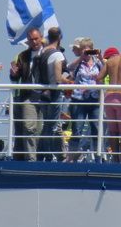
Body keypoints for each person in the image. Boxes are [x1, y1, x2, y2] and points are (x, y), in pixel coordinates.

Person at [8, 27, 47, 161]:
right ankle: (31, 159)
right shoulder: (23, 56)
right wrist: (13, 73)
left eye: (36, 39)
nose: (34, 42)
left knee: (42, 129)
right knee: (29, 127)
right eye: (31, 40)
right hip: (28, 96)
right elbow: (15, 77)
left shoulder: (49, 53)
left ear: (41, 37)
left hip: (46, 96)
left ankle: (41, 157)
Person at [68, 40, 103, 161]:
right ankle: (72, 157)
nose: (88, 53)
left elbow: (106, 70)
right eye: (85, 50)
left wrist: (101, 58)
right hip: (79, 100)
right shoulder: (78, 64)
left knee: (96, 129)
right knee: (77, 129)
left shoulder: (98, 63)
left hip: (94, 99)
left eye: (89, 50)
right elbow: (68, 68)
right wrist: (80, 58)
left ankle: (98, 157)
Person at [39, 27, 67, 162]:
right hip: (54, 94)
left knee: (46, 125)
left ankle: (44, 154)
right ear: (60, 37)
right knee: (54, 126)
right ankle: (50, 155)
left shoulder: (42, 52)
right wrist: (67, 80)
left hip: (42, 93)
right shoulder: (57, 55)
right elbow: (57, 77)